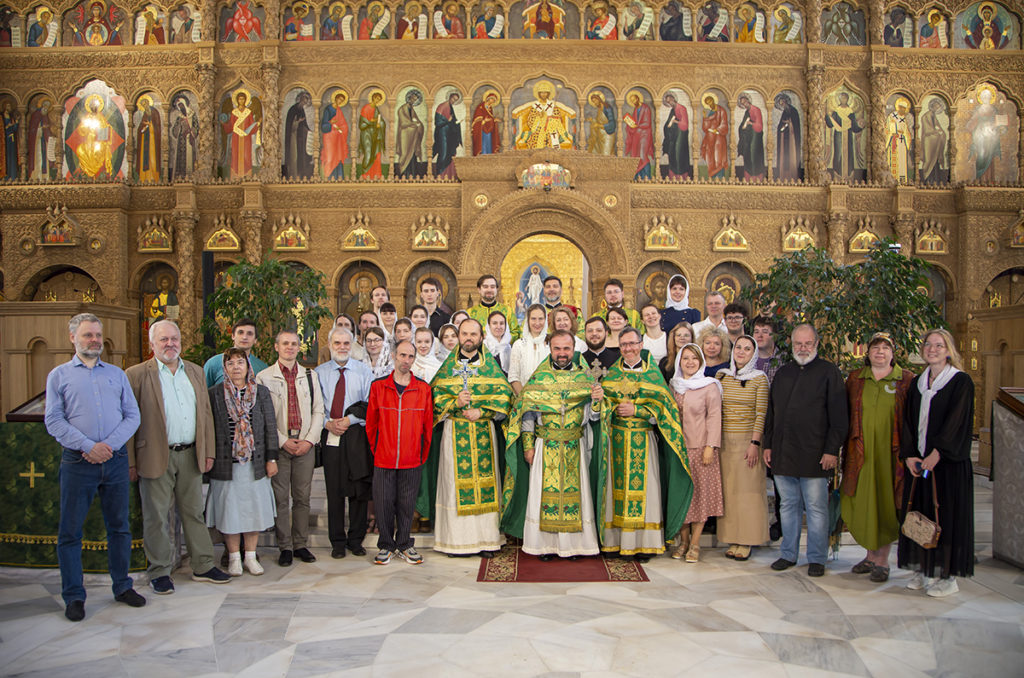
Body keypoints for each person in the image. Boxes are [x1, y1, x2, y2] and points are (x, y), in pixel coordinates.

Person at [45, 313, 144, 622]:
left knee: (119, 528)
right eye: (88, 335)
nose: (94, 341)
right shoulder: (59, 376)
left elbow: (132, 415)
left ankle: (122, 586)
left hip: (113, 461)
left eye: (98, 336)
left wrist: (108, 446)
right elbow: (54, 419)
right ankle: (74, 595)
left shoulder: (116, 374)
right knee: (70, 532)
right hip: (78, 461)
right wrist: (89, 446)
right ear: (72, 337)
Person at [126, 320, 230, 595]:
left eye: (174, 339)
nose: (170, 344)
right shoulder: (136, 375)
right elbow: (128, 421)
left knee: (194, 513)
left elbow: (206, 416)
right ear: (152, 344)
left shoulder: (194, 372)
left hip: (190, 454)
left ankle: (203, 565)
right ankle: (160, 571)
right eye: (163, 340)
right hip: (154, 455)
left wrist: (208, 451)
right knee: (157, 516)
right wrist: (131, 462)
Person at [502, 330, 605, 559]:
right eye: (557, 348)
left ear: (573, 349)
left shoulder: (585, 377)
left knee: (576, 498)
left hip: (574, 444)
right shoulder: (539, 378)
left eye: (566, 349)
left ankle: (575, 546)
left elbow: (594, 418)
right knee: (542, 497)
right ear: (550, 348)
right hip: (544, 444)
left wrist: (597, 401)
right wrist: (528, 446)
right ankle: (544, 546)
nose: (562, 353)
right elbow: (527, 413)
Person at [598, 327, 692, 561]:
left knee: (645, 492)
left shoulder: (653, 374)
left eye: (632, 344)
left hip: (644, 439)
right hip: (617, 441)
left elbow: (666, 410)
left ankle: (643, 545)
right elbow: (605, 405)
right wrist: (607, 406)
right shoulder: (611, 374)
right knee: (615, 491)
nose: (628, 349)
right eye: (624, 345)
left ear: (641, 344)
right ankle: (617, 542)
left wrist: (638, 410)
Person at [420, 318, 512, 557]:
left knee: (486, 485)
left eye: (474, 334)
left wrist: (483, 411)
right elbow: (434, 397)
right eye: (464, 334)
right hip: (454, 431)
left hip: (483, 431)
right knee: (453, 485)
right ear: (458, 336)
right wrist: (455, 403)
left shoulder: (490, 366)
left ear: (481, 337)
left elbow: (505, 397)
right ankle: (454, 542)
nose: (469, 338)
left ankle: (487, 541)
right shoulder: (447, 367)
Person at [764, 324, 848, 577]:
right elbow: (772, 413)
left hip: (815, 454)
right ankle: (788, 554)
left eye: (807, 343)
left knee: (816, 508)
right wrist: (768, 445)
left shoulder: (829, 372)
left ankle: (817, 558)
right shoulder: (783, 373)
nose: (802, 348)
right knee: (787, 506)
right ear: (791, 344)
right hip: (783, 452)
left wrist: (832, 450)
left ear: (816, 344)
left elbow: (839, 418)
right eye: (798, 343)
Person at [898, 329, 975, 597]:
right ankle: (923, 569)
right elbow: (907, 422)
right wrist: (909, 454)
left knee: (948, 518)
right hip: (920, 463)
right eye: (928, 345)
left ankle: (948, 575)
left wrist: (937, 454)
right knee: (921, 516)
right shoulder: (918, 382)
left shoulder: (960, 382)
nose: (932, 349)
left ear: (949, 350)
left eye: (939, 345)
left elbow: (958, 422)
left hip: (947, 465)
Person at [841, 332, 915, 583]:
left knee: (886, 503)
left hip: (891, 456)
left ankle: (883, 560)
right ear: (867, 352)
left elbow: (913, 420)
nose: (880, 352)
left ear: (893, 353)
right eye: (875, 348)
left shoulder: (906, 380)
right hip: (860, 453)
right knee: (863, 502)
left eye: (885, 348)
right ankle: (870, 556)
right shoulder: (855, 379)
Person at [206, 348, 279, 577]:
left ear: (248, 366)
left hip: (253, 463)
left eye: (240, 362)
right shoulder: (214, 394)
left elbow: (270, 428)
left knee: (253, 511)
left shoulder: (261, 393)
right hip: (227, 465)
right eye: (230, 363)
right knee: (230, 512)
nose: (236, 367)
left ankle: (250, 556)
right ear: (224, 368)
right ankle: (234, 558)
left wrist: (271, 457)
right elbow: (208, 429)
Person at [257, 330, 326, 567]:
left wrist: (309, 440)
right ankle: (284, 546)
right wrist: (281, 440)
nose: (290, 347)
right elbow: (264, 417)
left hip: (305, 444)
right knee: (280, 499)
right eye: (285, 343)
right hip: (281, 446)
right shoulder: (264, 377)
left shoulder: (310, 376)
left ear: (299, 347)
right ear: (276, 347)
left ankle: (300, 544)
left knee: (302, 498)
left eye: (294, 344)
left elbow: (319, 410)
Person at [366, 340, 434, 565]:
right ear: (394, 356)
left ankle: (404, 544)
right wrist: (379, 450)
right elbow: (371, 424)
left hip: (411, 459)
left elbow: (427, 426)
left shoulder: (423, 389)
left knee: (406, 504)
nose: (406, 360)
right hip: (384, 458)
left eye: (410, 357)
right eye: (402, 355)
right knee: (384, 503)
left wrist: (420, 454)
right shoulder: (378, 387)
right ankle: (386, 544)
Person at [315, 327, 374, 558]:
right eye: (337, 343)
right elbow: (313, 405)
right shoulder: (319, 373)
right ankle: (337, 541)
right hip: (330, 434)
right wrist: (328, 423)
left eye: (346, 343)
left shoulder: (363, 371)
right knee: (335, 490)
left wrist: (348, 420)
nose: (342, 347)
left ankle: (356, 539)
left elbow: (370, 403)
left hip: (356, 435)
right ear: (330, 345)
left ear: (352, 345)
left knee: (359, 489)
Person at [716, 335, 770, 561]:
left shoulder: (760, 379)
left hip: (749, 440)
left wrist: (755, 443)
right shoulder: (723, 376)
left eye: (747, 349)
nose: (741, 352)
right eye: (738, 347)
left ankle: (747, 540)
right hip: (725, 441)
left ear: (753, 353)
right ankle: (732, 537)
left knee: (748, 493)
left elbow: (761, 413)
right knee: (730, 492)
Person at [669, 343, 722, 563]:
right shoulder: (674, 385)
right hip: (678, 449)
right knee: (682, 496)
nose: (690, 362)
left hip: (701, 449)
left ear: (701, 361)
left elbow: (714, 417)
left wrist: (710, 446)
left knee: (699, 497)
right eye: (685, 358)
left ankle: (696, 544)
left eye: (694, 358)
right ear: (679, 361)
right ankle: (683, 542)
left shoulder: (710, 386)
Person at [204, 318, 268, 387]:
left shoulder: (262, 367)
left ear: (255, 340)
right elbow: (202, 391)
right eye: (240, 332)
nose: (244, 337)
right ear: (233, 336)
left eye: (249, 334)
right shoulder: (213, 363)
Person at [509, 304, 550, 394]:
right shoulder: (519, 345)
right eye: (533, 319)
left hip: (548, 399)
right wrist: (525, 397)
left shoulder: (551, 344)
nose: (537, 323)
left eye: (541, 319)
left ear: (545, 320)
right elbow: (513, 376)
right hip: (524, 398)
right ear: (527, 320)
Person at [468, 274, 521, 341]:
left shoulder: (507, 310)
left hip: (502, 350)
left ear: (497, 289)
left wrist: (500, 339)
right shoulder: (470, 313)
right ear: (479, 289)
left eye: (492, 287)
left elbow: (516, 332)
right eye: (485, 287)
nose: (489, 290)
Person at [752, 315, 785, 384]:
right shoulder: (747, 357)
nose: (759, 336)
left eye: (765, 332)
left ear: (775, 336)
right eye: (756, 332)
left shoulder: (784, 359)